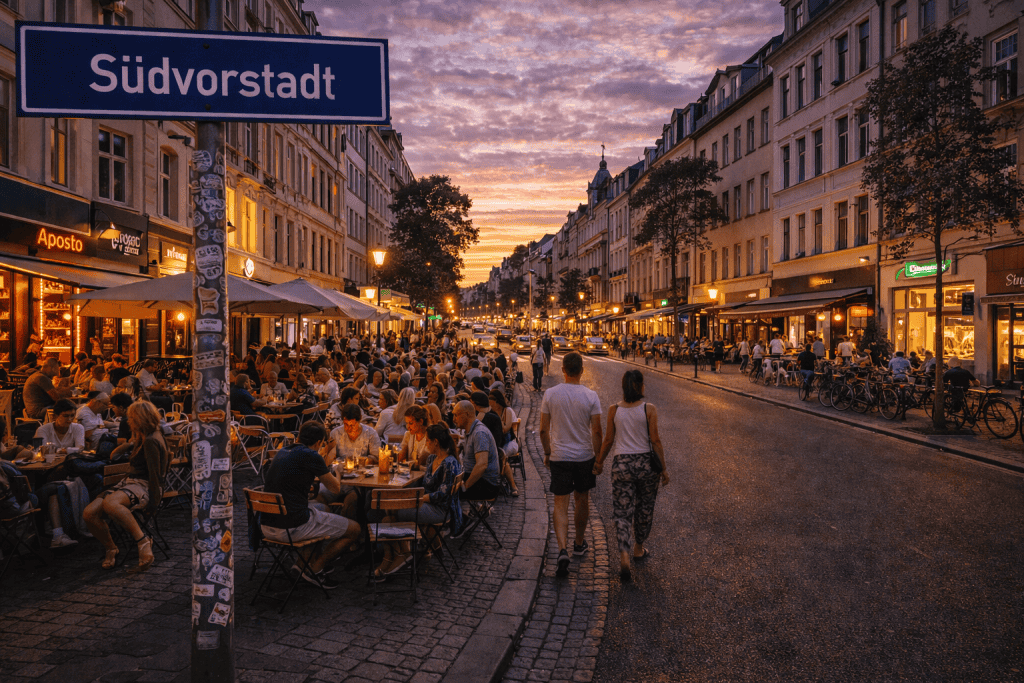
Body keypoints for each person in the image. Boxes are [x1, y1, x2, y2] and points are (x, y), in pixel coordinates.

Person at [261, 421, 360, 589]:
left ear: (299, 436)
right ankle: (315, 568)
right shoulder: (311, 455)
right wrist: (338, 472)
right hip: (292, 526)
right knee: (355, 529)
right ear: (318, 443)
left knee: (323, 509)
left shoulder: (282, 452)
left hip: (267, 524)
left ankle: (302, 563)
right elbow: (335, 488)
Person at [595, 370, 668, 581]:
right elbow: (655, 440)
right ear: (640, 386)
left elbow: (608, 440)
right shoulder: (649, 409)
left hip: (622, 465)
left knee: (622, 511)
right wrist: (663, 469)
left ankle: (624, 556)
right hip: (646, 465)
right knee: (644, 508)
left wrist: (599, 462)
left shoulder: (614, 410)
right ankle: (638, 547)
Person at [83, 401, 169, 572]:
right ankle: (111, 548)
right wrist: (131, 443)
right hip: (129, 482)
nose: (128, 421)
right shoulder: (144, 436)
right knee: (89, 513)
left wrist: (153, 503)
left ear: (139, 419)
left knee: (111, 504)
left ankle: (142, 541)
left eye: (130, 418)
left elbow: (155, 475)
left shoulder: (152, 440)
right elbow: (113, 455)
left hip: (142, 485)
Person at [539, 351, 602, 578]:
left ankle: (562, 548)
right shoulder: (591, 396)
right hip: (584, 455)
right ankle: (578, 542)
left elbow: (543, 429)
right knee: (582, 498)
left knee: (560, 502)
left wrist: (547, 452)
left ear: (563, 370)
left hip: (560, 455)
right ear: (582, 370)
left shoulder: (551, 394)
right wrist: (598, 458)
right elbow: (596, 431)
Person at [373, 424, 462, 578]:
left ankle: (401, 555)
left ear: (435, 442)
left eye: (427, 441)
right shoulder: (433, 458)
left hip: (440, 509)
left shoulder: (450, 463)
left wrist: (418, 499)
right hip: (426, 503)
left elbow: (442, 495)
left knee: (398, 510)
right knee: (388, 515)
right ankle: (398, 554)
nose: (426, 444)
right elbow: (425, 484)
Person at [450, 400, 502, 523]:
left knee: (446, 490)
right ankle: (459, 518)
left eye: (456, 415)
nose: (454, 419)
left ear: (467, 414)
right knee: (445, 483)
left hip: (486, 485)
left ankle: (460, 521)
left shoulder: (479, 433)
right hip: (480, 480)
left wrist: (464, 486)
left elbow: (482, 465)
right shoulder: (471, 431)